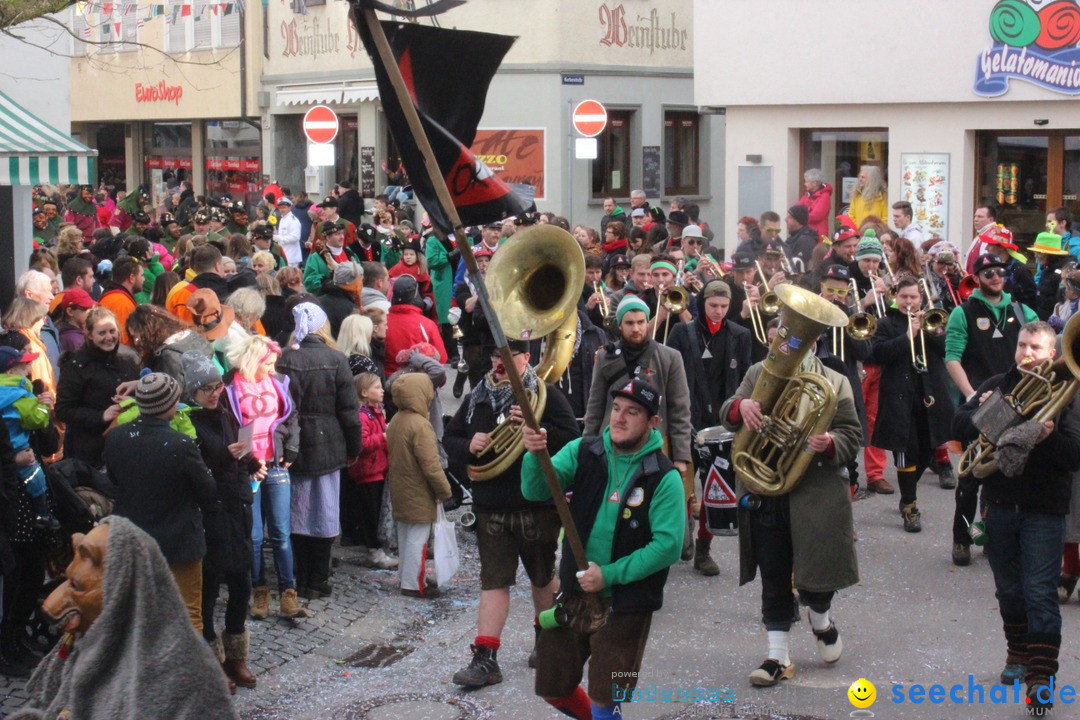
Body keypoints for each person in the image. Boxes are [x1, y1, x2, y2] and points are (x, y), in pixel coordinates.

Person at [521, 378, 684, 720]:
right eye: (617, 408)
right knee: (552, 687)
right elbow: (536, 491)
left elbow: (668, 546)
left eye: (633, 412)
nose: (620, 418)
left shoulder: (664, 477)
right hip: (573, 595)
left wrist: (608, 575)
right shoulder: (584, 450)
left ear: (653, 422)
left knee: (607, 697)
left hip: (628, 608)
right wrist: (535, 456)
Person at [720, 328, 860, 687]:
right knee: (773, 571)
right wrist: (742, 407)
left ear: (813, 343)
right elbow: (727, 412)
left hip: (815, 490)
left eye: (797, 340)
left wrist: (830, 442)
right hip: (767, 488)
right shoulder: (757, 374)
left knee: (817, 575)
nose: (787, 347)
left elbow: (851, 434)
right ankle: (777, 655)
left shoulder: (836, 381)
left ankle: (821, 619)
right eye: (780, 340)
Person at [953, 321, 1080, 714]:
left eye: (1036, 348)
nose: (1027, 354)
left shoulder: (1071, 395)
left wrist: (1047, 437)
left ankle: (1041, 678)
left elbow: (1075, 455)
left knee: (1040, 592)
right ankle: (1017, 652)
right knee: (1008, 590)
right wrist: (985, 407)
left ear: (1053, 354)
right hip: (1000, 501)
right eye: (1022, 345)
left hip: (1044, 506)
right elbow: (958, 426)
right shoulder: (1000, 381)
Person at [444, 339, 579, 686]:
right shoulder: (478, 396)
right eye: (493, 355)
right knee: (493, 581)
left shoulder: (545, 394)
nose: (499, 362)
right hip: (490, 505)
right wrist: (468, 445)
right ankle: (485, 658)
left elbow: (573, 439)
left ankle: (546, 640)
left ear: (526, 358)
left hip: (536, 506)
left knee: (542, 576)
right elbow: (451, 439)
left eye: (508, 355)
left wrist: (540, 432)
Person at [11, 517, 239, 719]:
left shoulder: (184, 672)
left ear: (120, 592)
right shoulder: (93, 645)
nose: (51, 606)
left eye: (76, 586)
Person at [945, 253, 1039, 566]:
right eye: (988, 273)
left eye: (999, 272)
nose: (995, 277)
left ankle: (991, 536)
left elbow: (1038, 352)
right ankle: (961, 538)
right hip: (981, 401)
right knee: (970, 479)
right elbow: (952, 357)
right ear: (977, 278)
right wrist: (972, 395)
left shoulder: (1022, 310)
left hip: (1016, 401)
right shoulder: (963, 312)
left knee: (1003, 475)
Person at [107, 372, 220, 632]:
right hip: (179, 542)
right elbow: (207, 490)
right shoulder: (181, 444)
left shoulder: (117, 437)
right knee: (188, 615)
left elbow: (113, 479)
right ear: (169, 404)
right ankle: (187, 669)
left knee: (139, 613)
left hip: (134, 540)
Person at [182, 351, 259, 692]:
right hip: (210, 514)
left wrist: (250, 461)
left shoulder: (226, 415)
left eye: (217, 386)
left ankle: (235, 655)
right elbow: (197, 472)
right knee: (210, 587)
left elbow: (237, 459)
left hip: (236, 508)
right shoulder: (188, 423)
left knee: (242, 583)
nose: (214, 393)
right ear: (192, 393)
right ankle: (211, 659)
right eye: (206, 388)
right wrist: (224, 457)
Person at [666, 280, 751, 573]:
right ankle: (682, 533)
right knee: (679, 486)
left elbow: (745, 381)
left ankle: (704, 549)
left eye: (724, 307)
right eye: (713, 305)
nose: (718, 311)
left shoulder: (740, 335)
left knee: (715, 490)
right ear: (701, 303)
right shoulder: (681, 332)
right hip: (687, 421)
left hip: (722, 425)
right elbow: (671, 376)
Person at [277, 302, 360, 598]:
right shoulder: (336, 358)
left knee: (296, 509)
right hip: (328, 439)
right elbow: (349, 410)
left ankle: (300, 576)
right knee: (324, 510)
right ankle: (319, 578)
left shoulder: (284, 358)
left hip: (293, 443)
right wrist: (354, 446)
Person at [224, 335, 304, 620]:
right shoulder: (230, 386)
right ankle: (259, 591)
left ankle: (288, 592)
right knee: (255, 536)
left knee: (281, 533)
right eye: (267, 364)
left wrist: (292, 448)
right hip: (249, 468)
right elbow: (231, 428)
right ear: (252, 360)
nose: (272, 369)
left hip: (277, 463)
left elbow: (291, 416)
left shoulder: (279, 382)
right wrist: (248, 461)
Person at [870, 275, 955, 532]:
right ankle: (910, 505)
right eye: (904, 297)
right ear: (896, 297)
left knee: (928, 450)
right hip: (900, 397)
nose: (909, 301)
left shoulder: (933, 320)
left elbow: (946, 349)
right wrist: (908, 335)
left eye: (913, 297)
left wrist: (926, 330)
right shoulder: (885, 324)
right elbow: (878, 353)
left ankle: (910, 490)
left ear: (921, 299)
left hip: (931, 396)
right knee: (905, 452)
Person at [386, 373, 451, 597]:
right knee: (418, 539)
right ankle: (414, 585)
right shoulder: (420, 425)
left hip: (400, 486)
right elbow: (431, 465)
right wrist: (444, 490)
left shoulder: (397, 419)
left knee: (405, 537)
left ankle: (408, 577)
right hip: (419, 489)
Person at [54, 307, 140, 467]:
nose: (109, 337)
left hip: (127, 443)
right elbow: (62, 409)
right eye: (102, 333)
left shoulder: (127, 360)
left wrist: (132, 400)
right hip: (92, 449)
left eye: (112, 331)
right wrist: (101, 415)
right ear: (89, 335)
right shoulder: (76, 365)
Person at [0, 346, 58, 530]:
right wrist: (43, 408)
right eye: (23, 364)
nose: (29, 367)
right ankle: (43, 514)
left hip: (9, 458)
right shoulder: (20, 395)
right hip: (18, 450)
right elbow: (36, 421)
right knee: (35, 478)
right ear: (10, 371)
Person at [344, 373, 395, 568]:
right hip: (368, 471)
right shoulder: (363, 415)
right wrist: (384, 436)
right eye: (377, 387)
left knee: (376, 510)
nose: (382, 390)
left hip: (378, 467)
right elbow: (362, 443)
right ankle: (374, 550)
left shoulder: (377, 411)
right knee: (370, 512)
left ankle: (377, 547)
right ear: (364, 392)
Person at [384, 275, 446, 376]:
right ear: (416, 295)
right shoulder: (427, 324)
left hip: (386, 380)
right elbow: (441, 358)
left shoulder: (382, 322)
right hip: (418, 380)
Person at [981, 227, 1036, 311]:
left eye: (990, 244)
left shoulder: (1020, 270)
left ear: (1001, 247)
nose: (986, 248)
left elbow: (1030, 302)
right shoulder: (989, 267)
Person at [97, 257, 143, 347]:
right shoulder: (122, 303)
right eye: (142, 275)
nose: (144, 279)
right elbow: (123, 342)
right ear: (132, 278)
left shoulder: (111, 296)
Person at [1031, 230, 1072, 321]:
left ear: (1048, 254)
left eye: (1039, 253)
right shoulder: (1047, 269)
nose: (1036, 257)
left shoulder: (1062, 274)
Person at [53, 288, 96, 353]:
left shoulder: (64, 329)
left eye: (92, 308)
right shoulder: (73, 340)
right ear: (70, 311)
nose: (91, 312)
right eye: (86, 309)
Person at [796, 169, 833, 238]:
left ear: (814, 183)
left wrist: (800, 216)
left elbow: (816, 216)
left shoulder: (824, 197)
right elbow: (796, 209)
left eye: (807, 182)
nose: (804, 184)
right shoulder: (807, 195)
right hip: (807, 232)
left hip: (818, 234)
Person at [966, 205, 999, 274]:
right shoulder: (981, 234)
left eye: (980, 217)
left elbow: (986, 262)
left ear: (991, 219)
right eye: (975, 216)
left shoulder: (994, 234)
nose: (975, 219)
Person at [784, 205, 818, 269]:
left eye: (789, 217)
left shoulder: (806, 241)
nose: (785, 220)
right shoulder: (794, 237)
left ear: (798, 222)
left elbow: (800, 267)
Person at [274, 196, 303, 267]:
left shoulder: (293, 220)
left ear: (289, 208)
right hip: (285, 254)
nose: (281, 210)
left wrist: (278, 238)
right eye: (280, 208)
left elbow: (295, 237)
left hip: (292, 256)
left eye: (284, 207)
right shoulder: (283, 219)